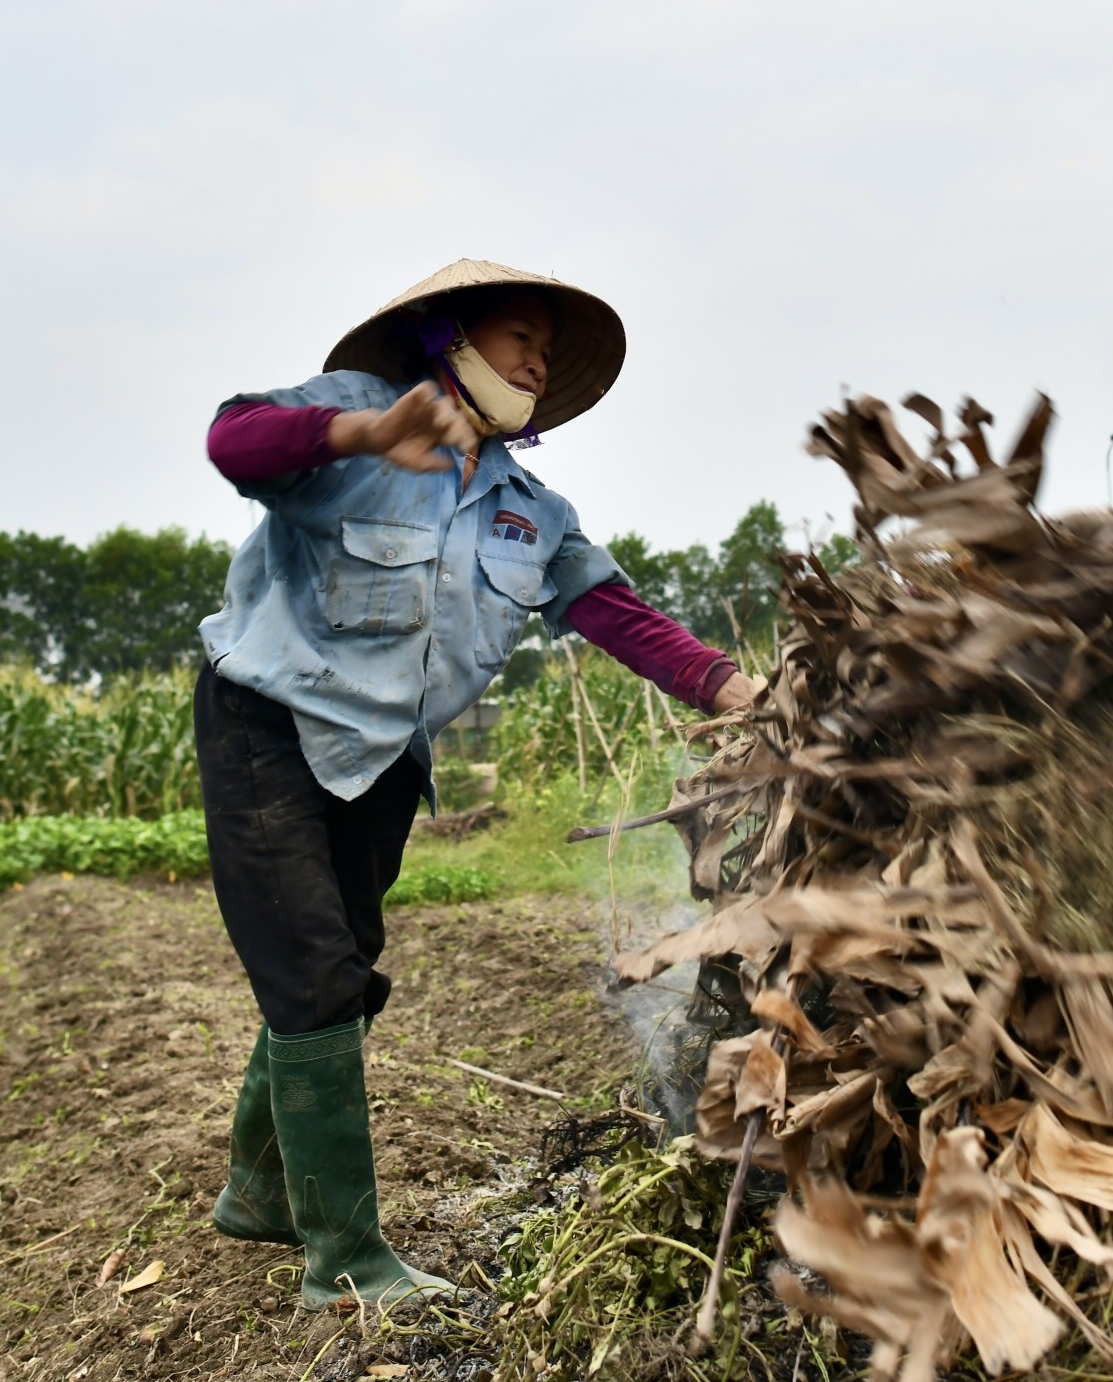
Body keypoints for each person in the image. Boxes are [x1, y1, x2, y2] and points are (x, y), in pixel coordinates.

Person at [193, 259, 754, 1309]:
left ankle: (260, 1189)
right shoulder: (355, 416)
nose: (536, 361)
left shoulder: (530, 511)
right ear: (448, 337)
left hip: (384, 756)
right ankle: (346, 1263)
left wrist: (731, 685)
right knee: (312, 972)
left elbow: (614, 613)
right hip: (266, 724)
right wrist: (356, 437)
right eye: (517, 337)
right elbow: (232, 439)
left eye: (547, 350)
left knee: (347, 972)